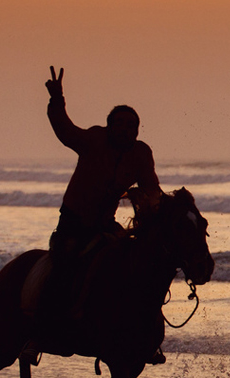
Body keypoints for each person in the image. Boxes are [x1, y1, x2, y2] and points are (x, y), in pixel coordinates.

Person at [40, 66, 163, 321]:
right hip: (73, 222)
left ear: (138, 131)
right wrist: (56, 99)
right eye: (119, 124)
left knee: (133, 264)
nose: (125, 129)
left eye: (131, 125)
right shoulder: (93, 140)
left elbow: (152, 190)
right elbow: (65, 130)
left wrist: (164, 207)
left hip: (104, 224)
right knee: (64, 266)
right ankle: (42, 328)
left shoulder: (141, 153)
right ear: (109, 127)